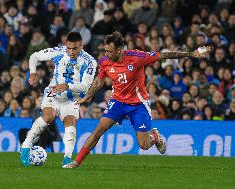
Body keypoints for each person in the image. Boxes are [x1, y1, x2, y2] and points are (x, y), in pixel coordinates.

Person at [63, 31, 212, 168]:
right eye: (105, 50)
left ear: (119, 50)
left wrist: (191, 54)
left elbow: (163, 55)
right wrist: (88, 96)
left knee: (144, 145)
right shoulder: (104, 62)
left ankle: (154, 136)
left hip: (138, 104)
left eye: (110, 51)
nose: (106, 54)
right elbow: (99, 80)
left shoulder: (137, 57)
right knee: (98, 130)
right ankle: (77, 161)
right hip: (117, 101)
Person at [20, 32, 97, 167]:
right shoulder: (59, 52)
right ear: (65, 45)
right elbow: (34, 56)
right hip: (54, 92)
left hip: (72, 98)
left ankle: (67, 158)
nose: (71, 51)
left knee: (70, 123)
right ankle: (26, 146)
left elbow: (85, 87)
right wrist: (32, 72)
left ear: (81, 46)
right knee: (48, 117)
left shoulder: (90, 61)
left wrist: (67, 86)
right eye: (69, 48)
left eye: (75, 48)